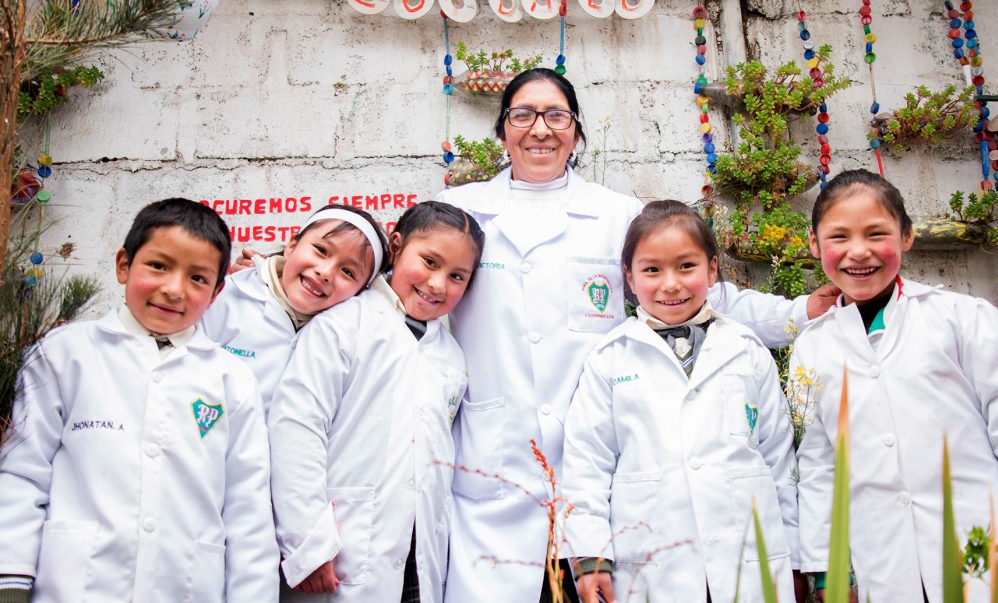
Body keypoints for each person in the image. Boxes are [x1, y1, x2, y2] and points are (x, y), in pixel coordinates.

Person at [436, 68, 835, 602]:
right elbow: (416, 299)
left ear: (576, 131)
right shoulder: (462, 212)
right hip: (496, 465)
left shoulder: (616, 214)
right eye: (523, 115)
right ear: (503, 129)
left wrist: (800, 312)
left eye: (557, 115)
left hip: (608, 473)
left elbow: (701, 296)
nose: (540, 129)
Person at [792, 169, 998, 603]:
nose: (858, 252)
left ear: (906, 236)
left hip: (984, 552)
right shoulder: (811, 348)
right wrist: (829, 569)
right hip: (882, 565)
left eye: (876, 233)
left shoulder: (963, 319)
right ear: (814, 244)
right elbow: (819, 466)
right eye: (839, 237)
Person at [0, 198, 279, 602]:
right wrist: (11, 581)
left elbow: (247, 509)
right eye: (158, 266)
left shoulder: (232, 380)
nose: (174, 289)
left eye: (198, 278)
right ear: (123, 265)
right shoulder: (65, 355)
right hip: (75, 587)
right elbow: (23, 476)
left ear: (217, 292)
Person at [563, 200, 799, 603]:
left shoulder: (746, 349)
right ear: (629, 278)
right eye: (652, 270)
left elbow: (779, 458)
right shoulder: (610, 358)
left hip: (749, 559)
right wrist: (590, 557)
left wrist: (793, 557)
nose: (670, 284)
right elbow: (587, 464)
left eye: (686, 267)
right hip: (653, 566)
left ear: (711, 271)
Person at [269, 201, 484, 602]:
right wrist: (307, 541)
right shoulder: (342, 324)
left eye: (457, 276)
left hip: (418, 559)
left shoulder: (450, 354)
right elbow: (297, 428)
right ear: (397, 247)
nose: (438, 284)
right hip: (339, 551)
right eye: (430, 262)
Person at [201, 204, 388, 419]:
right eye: (321, 250)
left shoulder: (346, 339)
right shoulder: (226, 298)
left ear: (358, 294)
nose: (325, 273)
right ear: (291, 246)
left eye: (347, 271)